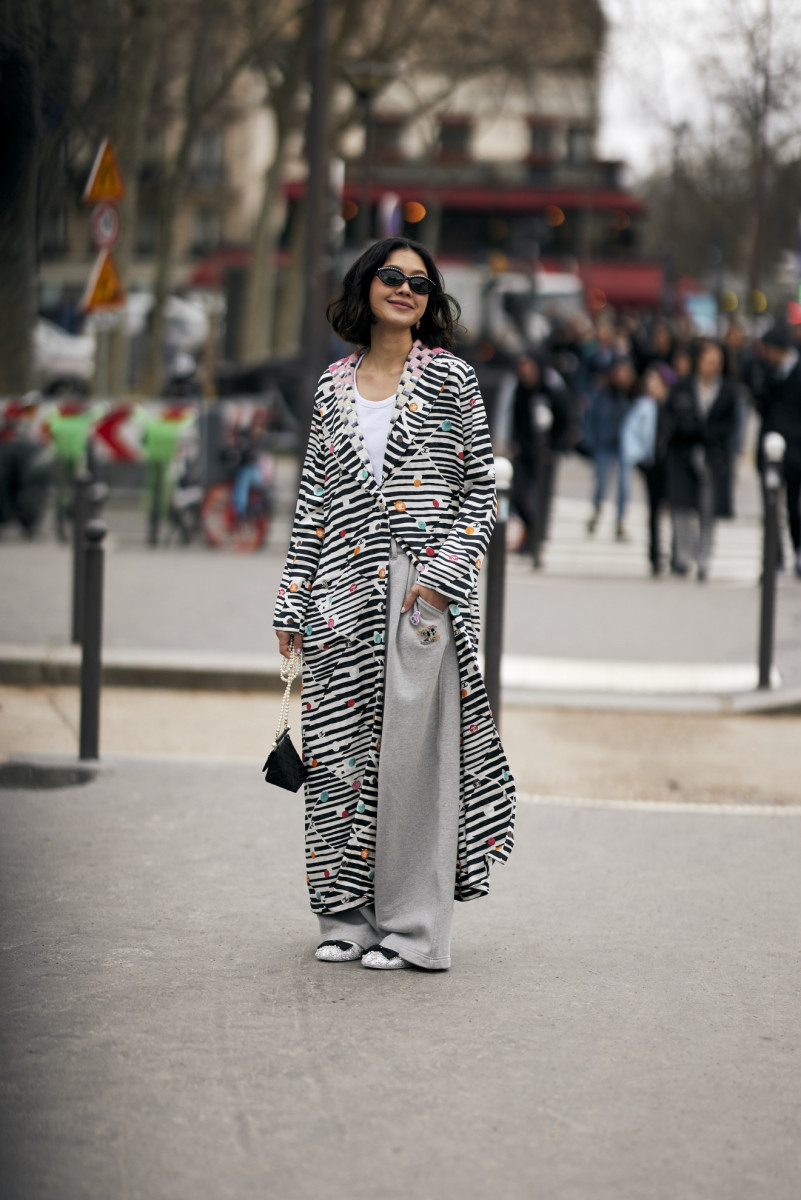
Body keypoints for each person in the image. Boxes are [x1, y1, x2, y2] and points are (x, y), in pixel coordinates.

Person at [272, 237, 516, 972]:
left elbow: (481, 494)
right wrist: (292, 598)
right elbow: (312, 500)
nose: (405, 288)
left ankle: (412, 929)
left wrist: (440, 576)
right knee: (339, 759)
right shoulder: (330, 386)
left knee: (414, 768)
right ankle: (344, 917)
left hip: (420, 594)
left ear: (429, 298)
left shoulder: (450, 381)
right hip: (340, 594)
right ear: (365, 285)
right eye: (391, 275)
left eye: (419, 281)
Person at [662, 341, 739, 581]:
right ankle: (684, 554)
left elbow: (731, 425)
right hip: (684, 453)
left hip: (712, 456)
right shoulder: (683, 386)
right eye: (709, 361)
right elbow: (670, 417)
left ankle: (703, 558)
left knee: (708, 509)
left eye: (718, 362)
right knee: (682, 508)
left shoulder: (728, 389)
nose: (713, 366)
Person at [509, 352, 571, 554]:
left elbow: (566, 420)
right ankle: (530, 530)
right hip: (524, 451)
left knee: (541, 499)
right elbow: (515, 419)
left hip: (546, 453)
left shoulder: (551, 388)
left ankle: (536, 542)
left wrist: (556, 447)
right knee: (516, 494)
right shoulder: (520, 388)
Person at [755, 323, 801, 577]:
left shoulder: (797, 371)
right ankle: (775, 560)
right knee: (771, 507)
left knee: (793, 506)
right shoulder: (767, 371)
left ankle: (797, 550)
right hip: (770, 449)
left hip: (795, 451)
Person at [621, 363, 675, 575]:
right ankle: (655, 554)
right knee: (653, 511)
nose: (651, 386)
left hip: (670, 464)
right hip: (651, 464)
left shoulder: (672, 406)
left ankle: (676, 552)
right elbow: (630, 434)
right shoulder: (643, 407)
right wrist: (637, 458)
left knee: (674, 509)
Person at [584, 355, 637, 540]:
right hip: (604, 444)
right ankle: (597, 510)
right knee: (601, 482)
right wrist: (590, 441)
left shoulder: (632, 394)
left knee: (624, 484)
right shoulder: (601, 394)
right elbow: (591, 418)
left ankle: (620, 520)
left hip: (624, 446)